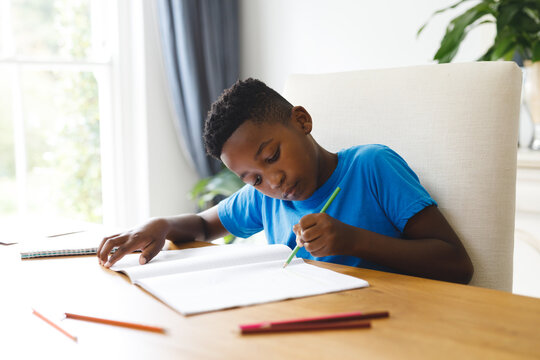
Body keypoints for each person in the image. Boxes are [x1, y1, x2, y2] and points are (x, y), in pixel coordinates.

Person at [97, 78, 474, 284]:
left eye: (272, 156)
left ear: (301, 121)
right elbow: (202, 225)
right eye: (253, 178)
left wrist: (352, 240)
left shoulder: (372, 166)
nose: (273, 181)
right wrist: (159, 225)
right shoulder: (267, 198)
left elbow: (457, 263)